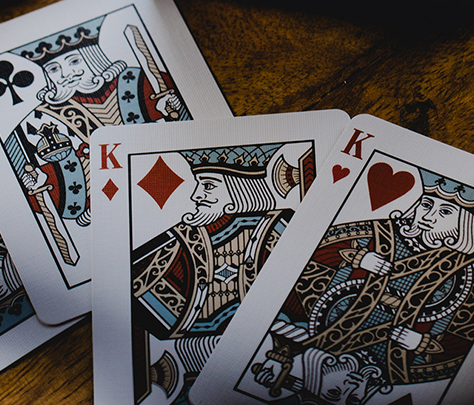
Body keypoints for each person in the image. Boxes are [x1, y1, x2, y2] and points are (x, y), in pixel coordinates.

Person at [249, 168, 474, 404]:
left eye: (445, 212)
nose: (428, 217)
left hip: (387, 360)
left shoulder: (466, 275)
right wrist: (358, 257)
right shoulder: (380, 233)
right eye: (426, 205)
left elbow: (467, 338)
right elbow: (314, 252)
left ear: (464, 224)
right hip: (328, 335)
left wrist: (421, 343)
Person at [131, 144, 315, 403]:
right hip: (186, 374)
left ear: (239, 189)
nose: (196, 195)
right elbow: (125, 291)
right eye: (199, 185)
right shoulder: (181, 239)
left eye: (208, 186)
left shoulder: (280, 230)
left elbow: (312, 305)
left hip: (277, 370)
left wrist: (282, 350)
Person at [17, 23, 185, 228]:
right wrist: (36, 181)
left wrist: (172, 107)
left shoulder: (137, 81)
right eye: (53, 69)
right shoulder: (44, 116)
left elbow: (184, 121)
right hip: (105, 202)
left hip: (168, 176)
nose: (65, 74)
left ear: (92, 57)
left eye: (74, 61)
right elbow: (60, 171)